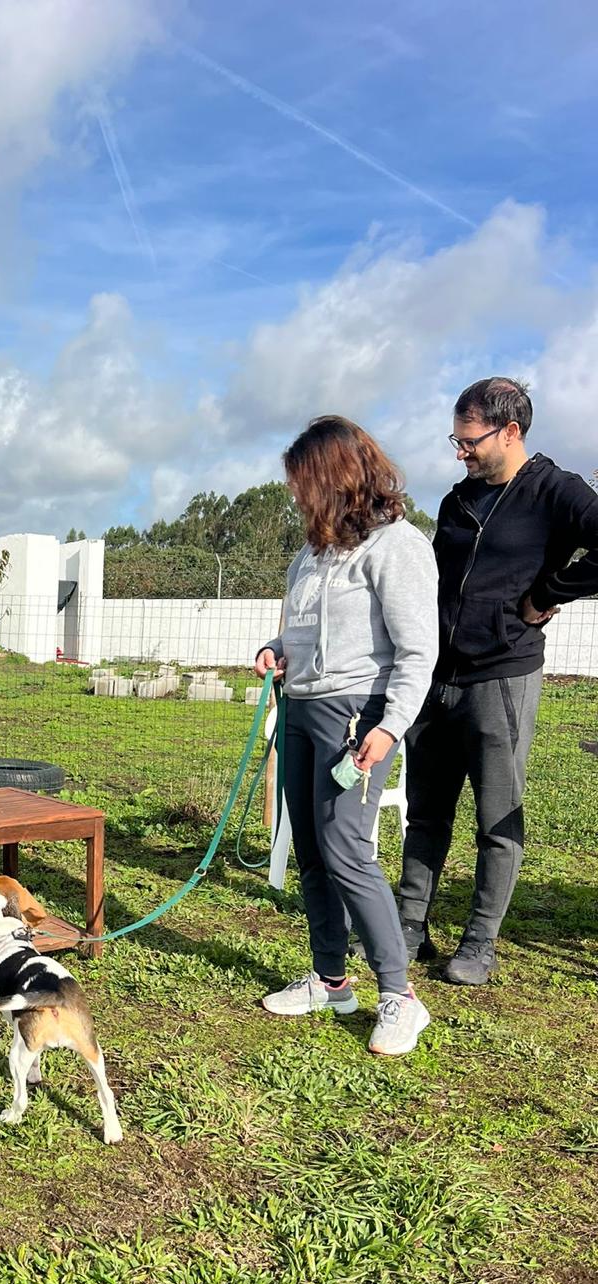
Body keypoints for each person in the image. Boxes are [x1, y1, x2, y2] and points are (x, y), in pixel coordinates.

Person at [396, 377, 598, 984]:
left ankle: (479, 942)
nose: (461, 452)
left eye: (469, 441)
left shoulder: (556, 493)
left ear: (510, 432)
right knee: (425, 811)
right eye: (455, 441)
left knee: (496, 818)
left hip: (502, 677)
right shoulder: (458, 502)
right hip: (437, 677)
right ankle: (410, 924)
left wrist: (548, 592)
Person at [254, 416, 438, 1056]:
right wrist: (275, 650)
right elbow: (301, 632)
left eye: (303, 483)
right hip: (301, 707)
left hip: (357, 714)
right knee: (311, 848)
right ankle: (331, 979)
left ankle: (399, 996)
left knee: (347, 851)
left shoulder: (397, 546)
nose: (296, 496)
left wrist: (390, 727)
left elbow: (418, 650)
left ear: (338, 478)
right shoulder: (310, 553)